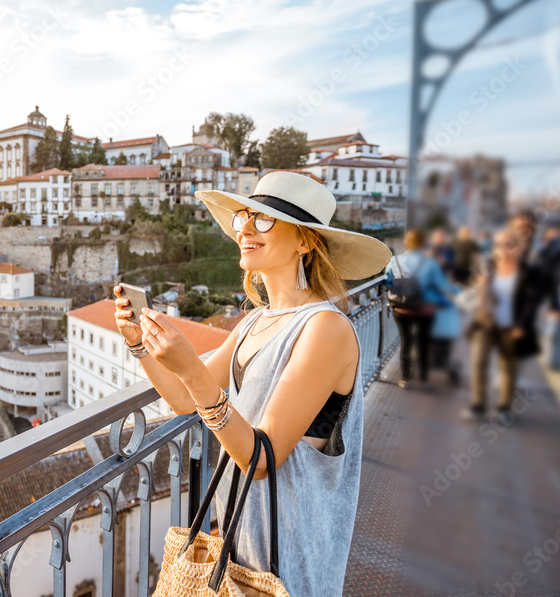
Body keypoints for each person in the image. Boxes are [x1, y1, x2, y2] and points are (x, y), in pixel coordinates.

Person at [112, 172, 391, 596]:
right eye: (244, 216)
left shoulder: (326, 330)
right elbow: (185, 402)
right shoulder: (255, 322)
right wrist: (141, 346)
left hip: (291, 550)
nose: (244, 228)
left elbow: (262, 459)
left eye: (263, 220)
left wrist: (190, 368)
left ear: (304, 242)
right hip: (241, 535)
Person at [464, 229, 550, 420]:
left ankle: (503, 408)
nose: (503, 249)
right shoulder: (489, 267)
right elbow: (474, 290)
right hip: (486, 322)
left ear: (519, 248)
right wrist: (480, 283)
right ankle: (478, 404)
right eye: (500, 244)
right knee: (478, 362)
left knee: (508, 367)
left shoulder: (529, 273)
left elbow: (532, 302)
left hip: (512, 326)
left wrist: (523, 326)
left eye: (509, 244)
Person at [385, 228, 460, 388]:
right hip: (424, 309)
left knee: (405, 341)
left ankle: (405, 378)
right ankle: (424, 377)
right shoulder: (430, 262)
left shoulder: (395, 260)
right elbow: (442, 285)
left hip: (401, 308)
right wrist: (459, 289)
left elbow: (388, 281)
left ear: (407, 242)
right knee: (424, 341)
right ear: (423, 243)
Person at [539, 225, 560, 371]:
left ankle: (555, 361)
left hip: (559, 290)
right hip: (559, 290)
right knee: (553, 325)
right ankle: (551, 359)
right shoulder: (557, 250)